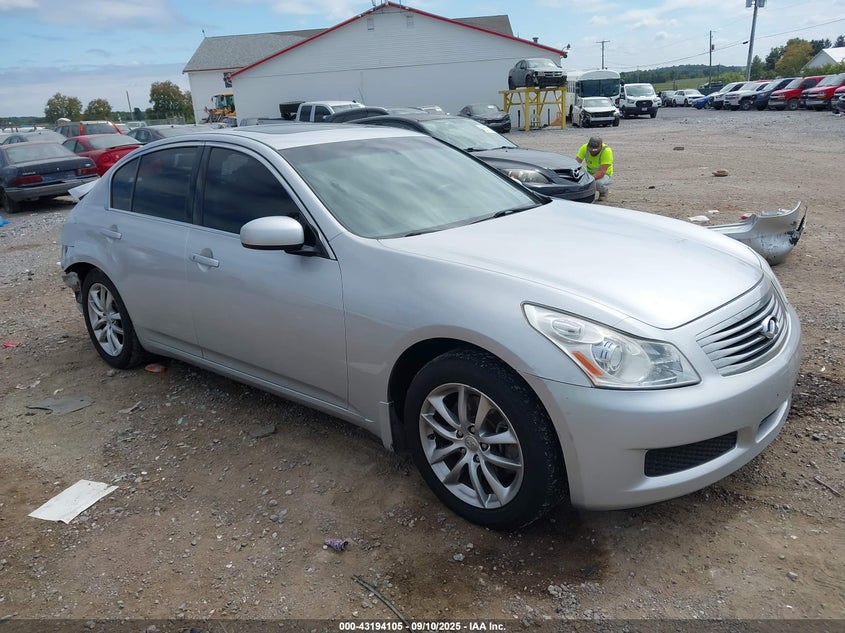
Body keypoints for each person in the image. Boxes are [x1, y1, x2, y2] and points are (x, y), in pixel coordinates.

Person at [576, 136, 613, 201]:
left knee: (598, 183)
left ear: (600, 146)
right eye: (591, 150)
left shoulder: (606, 151)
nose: (592, 152)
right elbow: (576, 163)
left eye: (595, 150)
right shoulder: (584, 148)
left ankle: (603, 192)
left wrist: (588, 180)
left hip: (604, 175)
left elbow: (602, 172)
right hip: (589, 173)